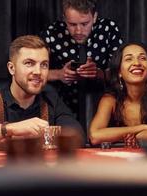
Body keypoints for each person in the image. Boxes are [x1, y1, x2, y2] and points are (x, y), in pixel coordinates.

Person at [0, 35, 84, 146]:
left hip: (42, 176)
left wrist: (27, 139)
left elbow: (78, 135)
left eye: (44, 65)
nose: (38, 71)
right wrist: (11, 129)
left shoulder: (52, 100)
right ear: (11, 68)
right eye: (29, 63)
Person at [40, 0, 123, 132]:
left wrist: (98, 73)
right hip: (62, 106)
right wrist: (59, 74)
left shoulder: (108, 29)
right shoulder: (52, 33)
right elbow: (32, 72)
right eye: (72, 24)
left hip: (103, 103)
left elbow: (122, 74)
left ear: (94, 17)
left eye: (85, 24)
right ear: (64, 18)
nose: (78, 30)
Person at [89, 42, 147, 146]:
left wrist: (133, 136)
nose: (137, 63)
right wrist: (142, 128)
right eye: (129, 59)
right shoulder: (110, 99)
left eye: (143, 58)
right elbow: (95, 136)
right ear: (119, 71)